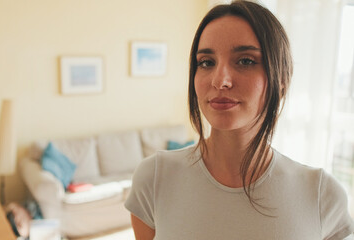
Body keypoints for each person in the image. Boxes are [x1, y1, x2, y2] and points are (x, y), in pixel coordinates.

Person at [125, 1, 354, 239]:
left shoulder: (321, 195)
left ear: (282, 80)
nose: (220, 80)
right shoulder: (154, 179)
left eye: (245, 61)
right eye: (206, 62)